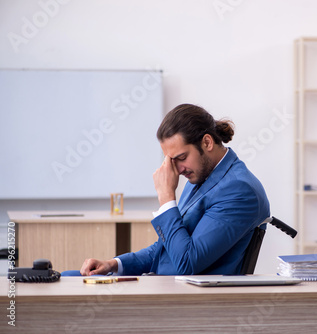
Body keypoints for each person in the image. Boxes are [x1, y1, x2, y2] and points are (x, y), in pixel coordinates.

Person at [79, 103, 270, 276]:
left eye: (181, 157)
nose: (177, 169)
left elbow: (186, 262)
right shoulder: (200, 176)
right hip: (162, 284)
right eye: (171, 160)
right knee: (71, 277)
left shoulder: (238, 190)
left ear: (207, 143)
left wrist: (166, 197)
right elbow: (164, 250)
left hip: (188, 301)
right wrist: (114, 264)